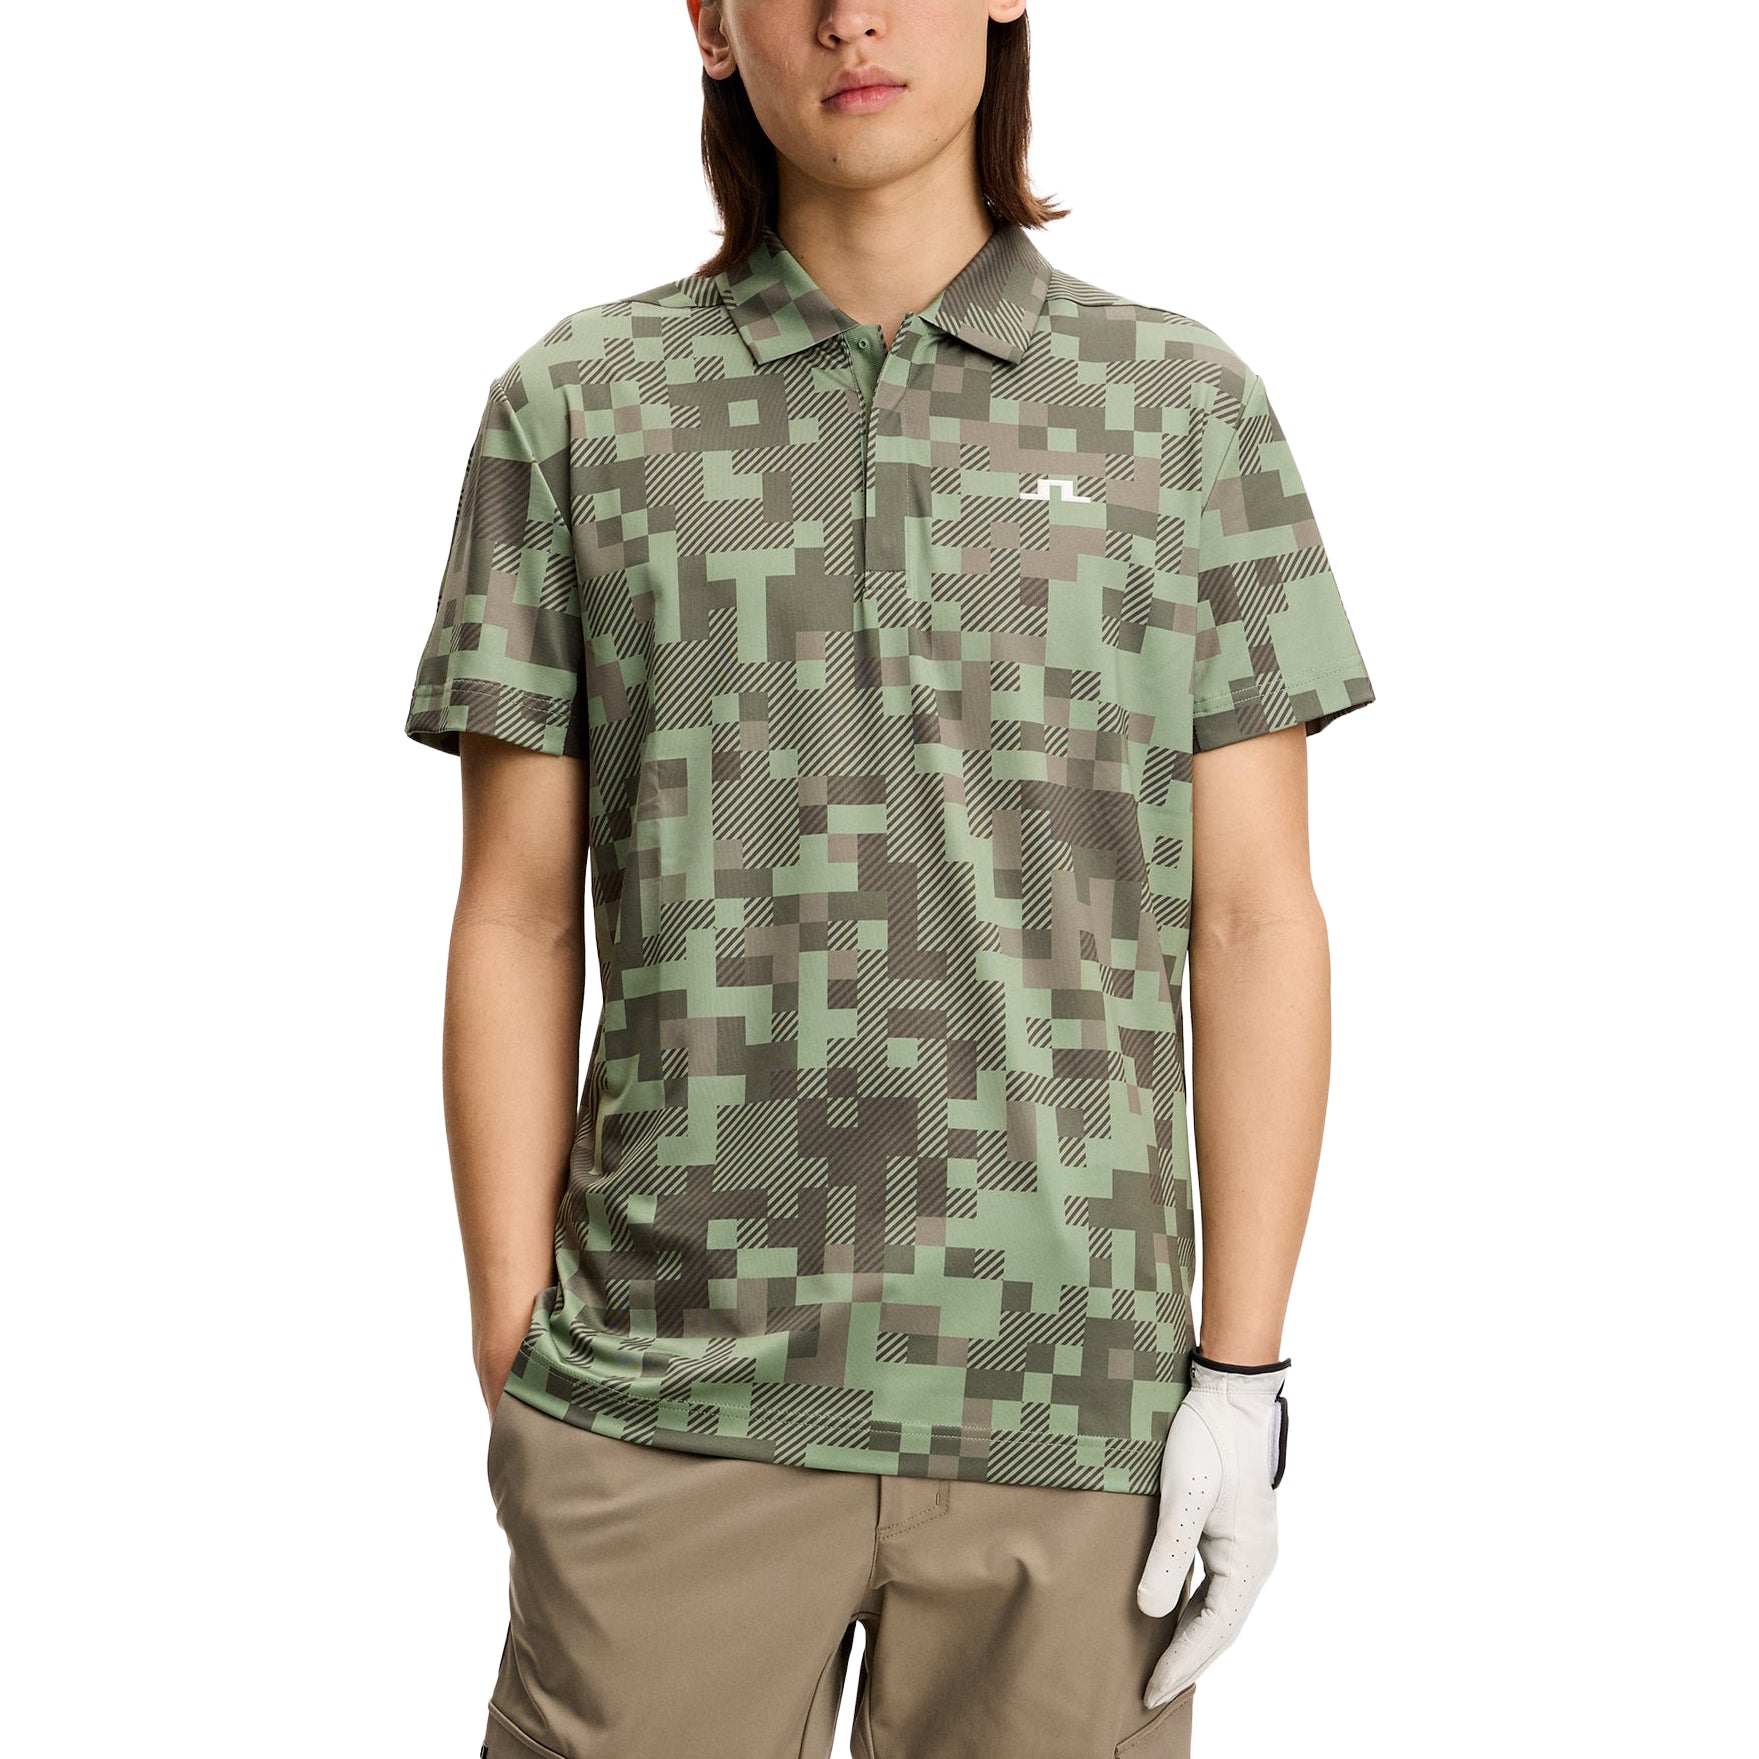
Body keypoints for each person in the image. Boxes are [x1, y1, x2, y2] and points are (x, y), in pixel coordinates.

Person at [402, 5, 1375, 1756]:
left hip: (1075, 1418)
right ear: (710, 22)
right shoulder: (581, 407)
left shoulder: (1181, 407)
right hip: (662, 1409)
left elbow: (1252, 919)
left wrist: (1245, 1380)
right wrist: (511, 1349)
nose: (851, 15)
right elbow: (518, 911)